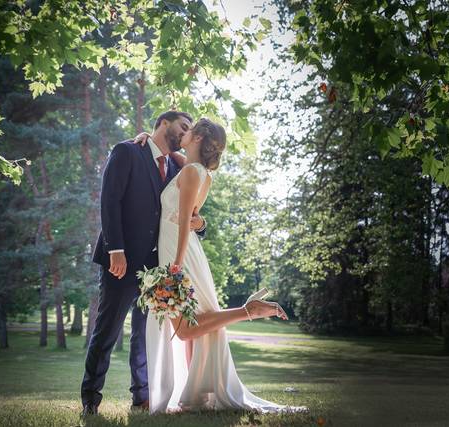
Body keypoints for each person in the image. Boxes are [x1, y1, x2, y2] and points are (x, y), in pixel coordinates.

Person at [138, 118, 308, 414]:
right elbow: (191, 217)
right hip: (182, 251)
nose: (183, 132)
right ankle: (195, 397)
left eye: (189, 129)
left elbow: (183, 225)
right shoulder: (197, 170)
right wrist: (146, 137)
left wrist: (175, 266)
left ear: (199, 137)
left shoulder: (191, 172)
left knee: (186, 328)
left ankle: (247, 311)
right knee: (192, 325)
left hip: (181, 253)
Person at [81, 111, 208, 416]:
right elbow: (109, 200)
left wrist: (201, 225)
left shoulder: (177, 166)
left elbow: (191, 202)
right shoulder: (127, 151)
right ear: (164, 123)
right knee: (107, 331)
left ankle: (141, 397)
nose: (186, 133)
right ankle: (90, 400)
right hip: (120, 261)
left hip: (155, 268)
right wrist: (116, 249)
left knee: (144, 335)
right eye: (183, 126)